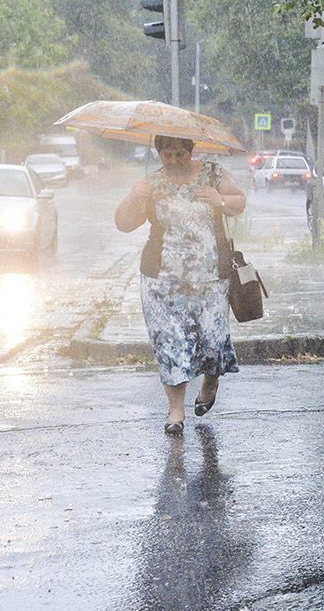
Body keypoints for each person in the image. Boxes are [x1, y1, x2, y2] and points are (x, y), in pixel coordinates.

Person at [114, 135, 247, 435]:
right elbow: (122, 223)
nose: (174, 161)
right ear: (159, 153)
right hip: (161, 279)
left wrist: (221, 201)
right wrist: (134, 197)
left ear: (191, 151)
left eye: (180, 154)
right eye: (167, 155)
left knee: (213, 343)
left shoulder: (212, 174)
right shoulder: (149, 184)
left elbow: (239, 201)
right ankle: (176, 412)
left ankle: (211, 381)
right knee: (170, 343)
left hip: (210, 278)